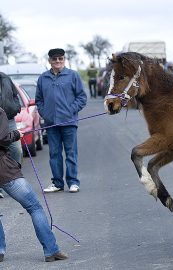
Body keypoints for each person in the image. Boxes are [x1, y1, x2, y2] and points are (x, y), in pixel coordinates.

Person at [0, 107, 68, 262]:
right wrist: (16, 134)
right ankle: (51, 251)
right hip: (4, 169)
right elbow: (2, 138)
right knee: (34, 207)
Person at [35, 48, 87, 193]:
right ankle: (57, 183)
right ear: (49, 61)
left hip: (69, 123)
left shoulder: (73, 75)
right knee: (54, 154)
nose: (58, 61)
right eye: (54, 59)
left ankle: (73, 182)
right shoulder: (43, 78)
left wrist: (70, 110)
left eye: (60, 58)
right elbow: (39, 100)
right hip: (51, 124)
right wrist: (45, 114)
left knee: (71, 153)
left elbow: (82, 97)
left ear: (64, 59)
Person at [0, 72, 22, 199]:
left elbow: (15, 95)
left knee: (17, 150)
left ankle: (13, 180)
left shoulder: (5, 78)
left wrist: (16, 107)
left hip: (9, 119)